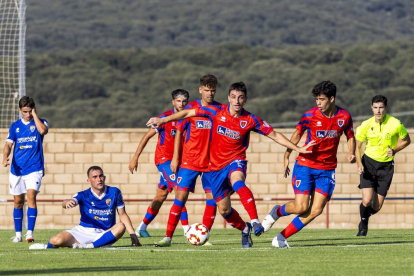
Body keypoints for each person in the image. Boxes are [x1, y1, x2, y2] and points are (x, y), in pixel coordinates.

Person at [147, 82, 314, 248]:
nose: (237, 101)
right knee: (224, 210)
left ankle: (255, 221)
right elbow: (186, 113)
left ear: (245, 99)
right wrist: (163, 120)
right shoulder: (215, 112)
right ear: (228, 98)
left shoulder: (250, 119)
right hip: (215, 168)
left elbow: (275, 135)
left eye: (240, 98)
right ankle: (244, 228)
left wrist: (297, 148)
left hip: (236, 161)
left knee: (238, 181)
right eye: (233, 97)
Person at [262, 80, 356, 248]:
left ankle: (280, 238)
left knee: (316, 210)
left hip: (327, 169)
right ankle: (276, 211)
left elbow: (350, 136)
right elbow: (297, 134)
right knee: (301, 207)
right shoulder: (309, 115)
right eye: (316, 99)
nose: (318, 103)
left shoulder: (344, 117)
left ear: (332, 99)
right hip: (305, 165)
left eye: (322, 99)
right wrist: (287, 155)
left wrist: (351, 153)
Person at [29, 166, 141, 249]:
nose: (99, 179)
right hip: (83, 231)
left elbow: (122, 214)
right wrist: (68, 202)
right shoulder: (83, 194)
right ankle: (47, 247)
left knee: (121, 226)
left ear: (104, 177)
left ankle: (89, 246)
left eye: (101, 176)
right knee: (56, 240)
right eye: (95, 177)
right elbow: (67, 202)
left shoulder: (114, 192)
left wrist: (132, 234)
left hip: (104, 233)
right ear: (89, 180)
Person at [129, 89, 190, 237]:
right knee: (179, 191)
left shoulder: (188, 117)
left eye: (184, 101)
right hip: (164, 160)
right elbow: (146, 136)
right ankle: (187, 230)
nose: (181, 104)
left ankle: (141, 228)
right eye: (178, 101)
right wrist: (135, 157)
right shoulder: (164, 118)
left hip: (178, 162)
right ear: (173, 102)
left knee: (161, 196)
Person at [170, 75, 221, 240]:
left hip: (211, 163)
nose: (210, 94)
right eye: (206, 90)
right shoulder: (191, 108)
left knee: (212, 199)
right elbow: (178, 130)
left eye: (212, 91)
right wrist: (175, 158)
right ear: (200, 90)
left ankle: (204, 237)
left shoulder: (221, 110)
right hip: (189, 161)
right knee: (180, 197)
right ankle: (167, 237)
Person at [355, 95, 410, 236]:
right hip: (368, 163)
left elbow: (406, 140)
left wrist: (395, 150)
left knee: (377, 206)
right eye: (375, 107)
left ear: (386, 108)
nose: (378, 111)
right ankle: (363, 224)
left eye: (381, 107)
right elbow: (358, 146)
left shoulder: (396, 124)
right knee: (366, 200)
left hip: (386, 167)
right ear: (371, 108)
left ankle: (365, 216)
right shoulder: (365, 125)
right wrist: (359, 164)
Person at [3, 96, 48, 243]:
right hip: (17, 169)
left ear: (33, 109)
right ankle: (18, 235)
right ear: (19, 110)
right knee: (18, 202)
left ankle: (30, 233)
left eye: (30, 111)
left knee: (31, 197)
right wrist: (5, 157)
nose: (27, 114)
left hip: (34, 168)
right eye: (25, 112)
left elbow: (43, 131)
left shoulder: (40, 122)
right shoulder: (15, 126)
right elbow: (9, 144)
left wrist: (35, 115)